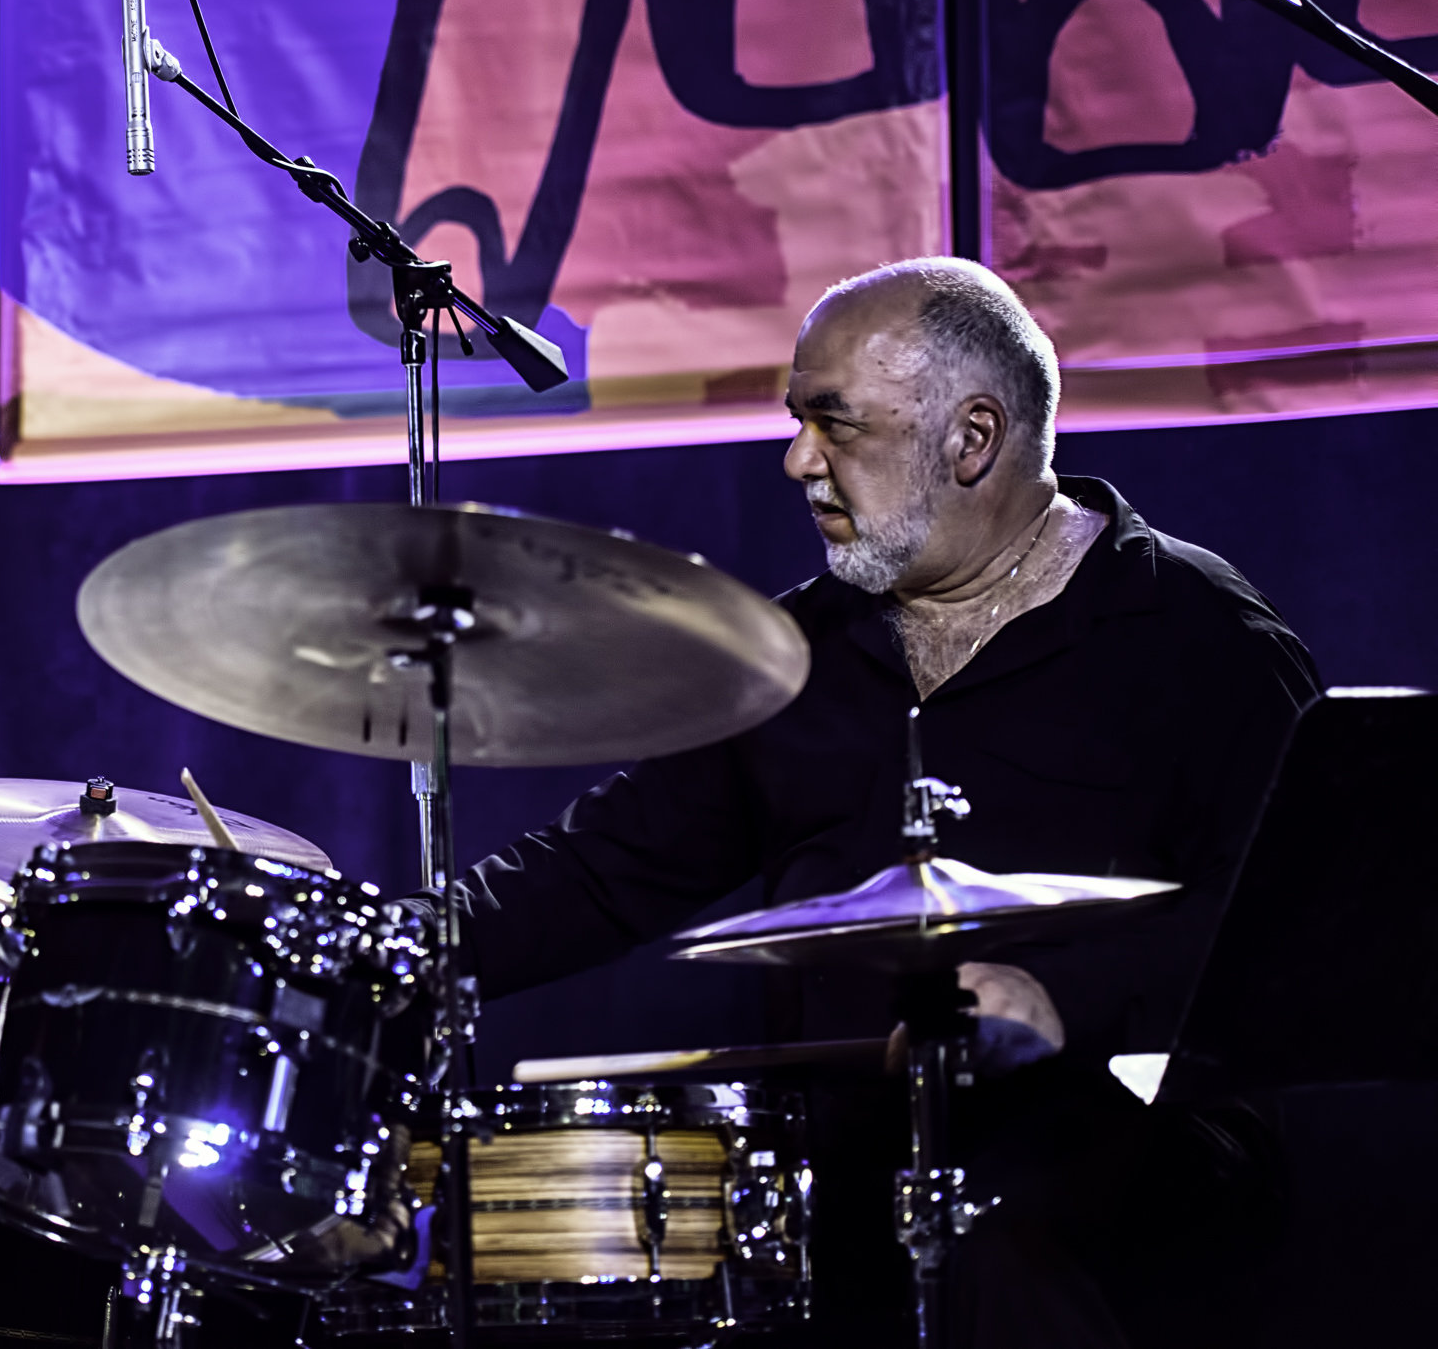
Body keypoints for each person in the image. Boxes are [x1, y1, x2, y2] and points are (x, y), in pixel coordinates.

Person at [439, 258, 1318, 1346]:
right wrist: (367, 942)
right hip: (846, 1158)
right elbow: (600, 870)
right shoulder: (794, 654)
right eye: (796, 420)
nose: (797, 459)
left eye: (833, 423)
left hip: (1136, 1151)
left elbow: (1303, 925)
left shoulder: (1200, 636)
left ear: (972, 437)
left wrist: (1064, 999)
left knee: (993, 1233)